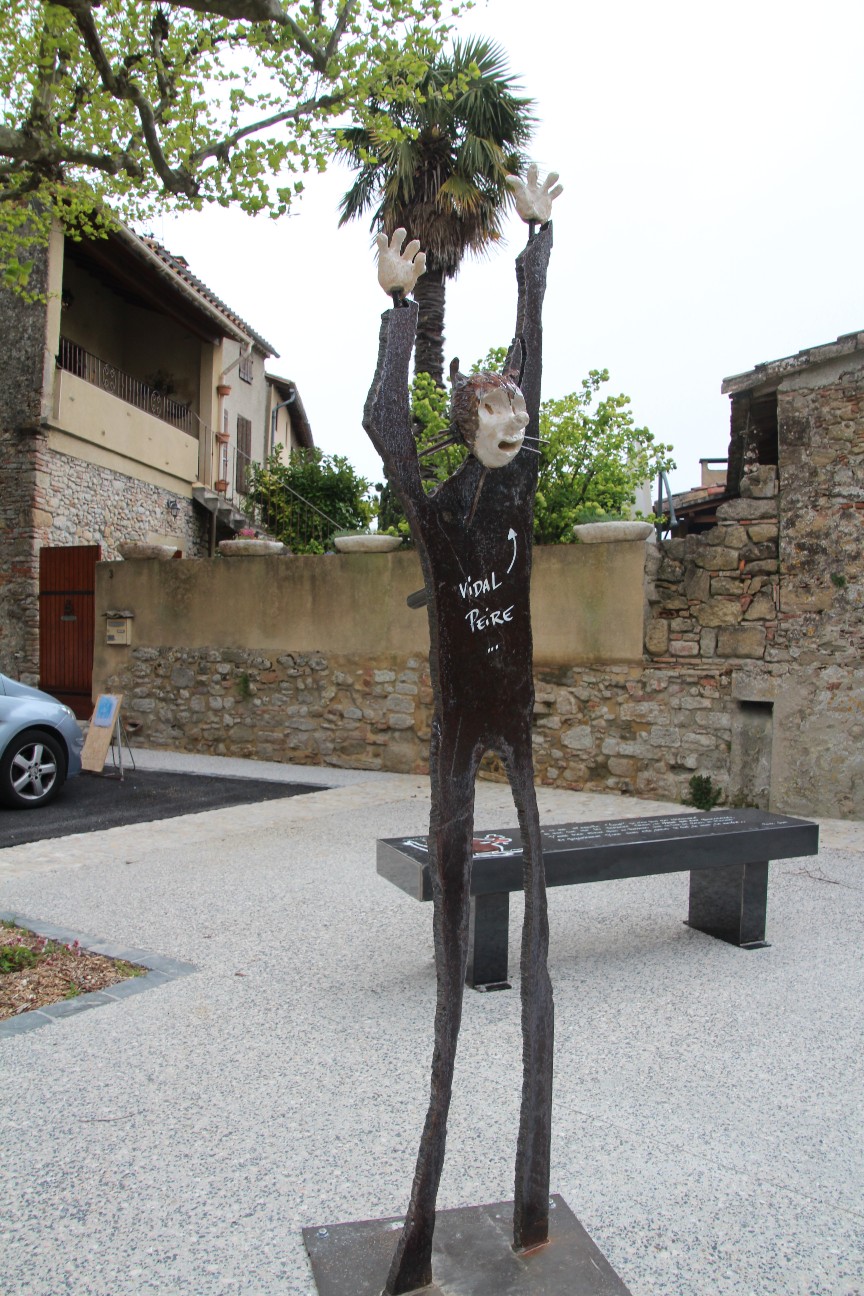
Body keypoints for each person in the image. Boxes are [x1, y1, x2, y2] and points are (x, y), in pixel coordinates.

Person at [363, 166, 561, 1295]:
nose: (512, 425)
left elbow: (530, 353)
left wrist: (535, 248)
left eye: (516, 416)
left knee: (537, 949)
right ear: (467, 427)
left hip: (515, 718)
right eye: (494, 416)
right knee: (452, 953)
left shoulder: (523, 485)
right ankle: (419, 1235)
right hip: (458, 727)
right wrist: (399, 310)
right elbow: (383, 426)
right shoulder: (441, 515)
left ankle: (533, 1200)